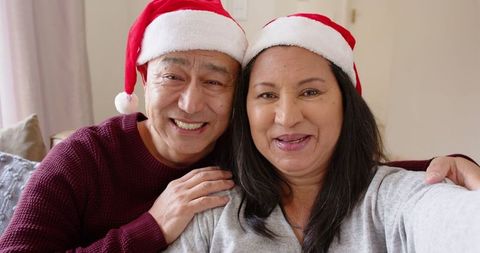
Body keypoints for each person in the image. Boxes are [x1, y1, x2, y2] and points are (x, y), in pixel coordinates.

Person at [0, 0, 476, 251]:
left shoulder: (244, 146)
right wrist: (149, 228)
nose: (191, 102)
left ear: (236, 100)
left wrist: (446, 169)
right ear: (144, 80)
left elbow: (344, 171)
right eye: (173, 76)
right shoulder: (85, 157)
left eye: (215, 80)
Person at [163, 13, 480, 253]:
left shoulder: (393, 200)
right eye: (267, 95)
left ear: (346, 105)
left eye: (311, 92)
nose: (287, 117)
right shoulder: (212, 210)